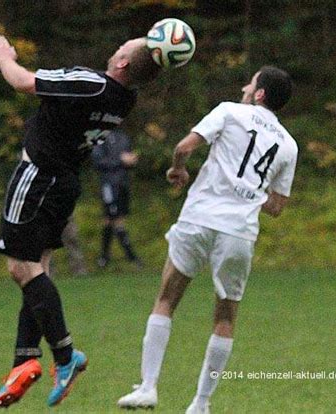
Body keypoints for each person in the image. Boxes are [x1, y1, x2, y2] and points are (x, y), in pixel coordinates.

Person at [0, 33, 160, 408]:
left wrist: (4, 56)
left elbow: (23, 82)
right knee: (39, 268)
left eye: (125, 45)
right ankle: (23, 358)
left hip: (37, 177)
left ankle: (65, 357)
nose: (118, 44)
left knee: (21, 267)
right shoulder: (127, 97)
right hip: (65, 183)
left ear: (124, 61)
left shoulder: (91, 83)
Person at [117, 66, 297, 413]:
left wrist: (178, 169)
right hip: (239, 232)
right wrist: (249, 195)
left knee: (167, 298)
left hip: (199, 218)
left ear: (259, 94)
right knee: (225, 318)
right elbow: (276, 207)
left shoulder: (230, 110)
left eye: (252, 82)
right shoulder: (288, 145)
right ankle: (200, 404)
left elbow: (184, 147)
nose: (245, 86)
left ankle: (149, 388)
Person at [92, 129, 141, 268]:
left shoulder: (123, 136)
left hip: (123, 184)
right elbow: (98, 162)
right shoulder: (100, 136)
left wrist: (132, 160)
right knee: (112, 217)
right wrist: (120, 160)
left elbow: (128, 158)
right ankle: (129, 257)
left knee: (116, 219)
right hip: (109, 184)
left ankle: (105, 258)